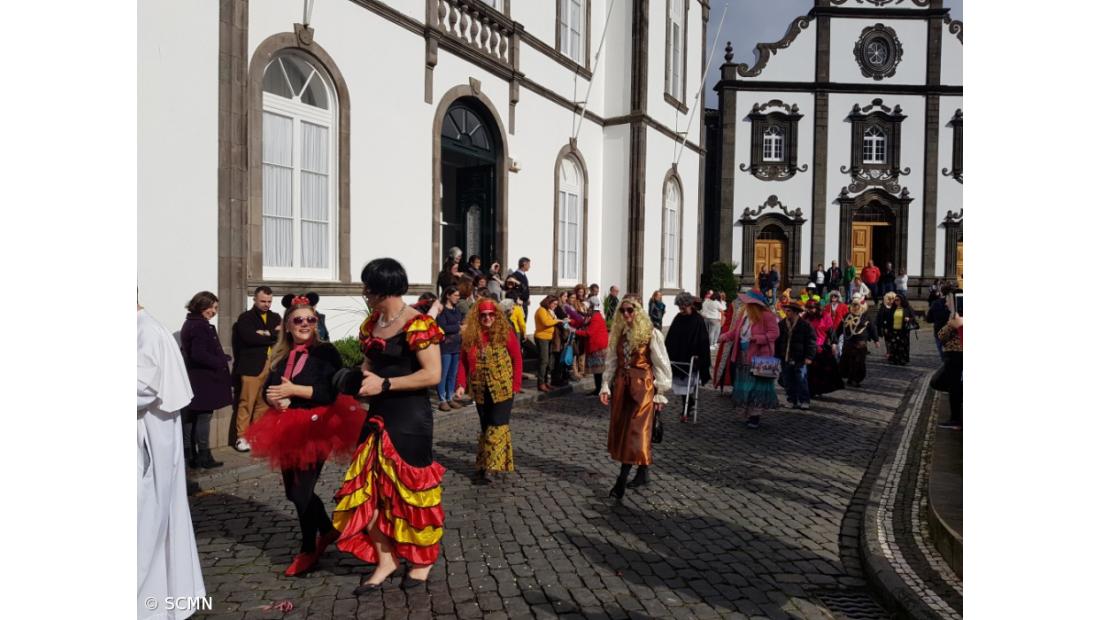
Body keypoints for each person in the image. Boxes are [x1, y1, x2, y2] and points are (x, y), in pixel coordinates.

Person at [333, 258, 446, 594]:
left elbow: (432, 375)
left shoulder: (419, 323)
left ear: (384, 290)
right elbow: (368, 366)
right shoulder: (373, 323)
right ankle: (386, 560)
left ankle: (422, 561)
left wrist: (385, 384)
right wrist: (356, 381)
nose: (365, 295)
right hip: (377, 415)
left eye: (369, 289)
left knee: (412, 491)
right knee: (367, 489)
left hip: (410, 418)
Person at [243, 295, 365, 577]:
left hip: (317, 427)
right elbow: (268, 389)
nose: (306, 324)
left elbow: (329, 393)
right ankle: (327, 530)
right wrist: (275, 400)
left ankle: (309, 548)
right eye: (299, 320)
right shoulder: (281, 355)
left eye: (311, 319)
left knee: (301, 492)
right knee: (292, 492)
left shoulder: (327, 352)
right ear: (287, 325)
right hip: (285, 428)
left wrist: (294, 391)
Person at [138, 302, 206, 619]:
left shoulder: (148, 331)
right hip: (146, 440)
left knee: (148, 521)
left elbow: (145, 388)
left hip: (150, 446)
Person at [599, 297, 673, 498]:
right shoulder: (619, 334)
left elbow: (661, 364)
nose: (626, 314)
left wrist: (660, 393)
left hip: (643, 388)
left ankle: (621, 480)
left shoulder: (651, 334)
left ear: (638, 311)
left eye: (630, 310)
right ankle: (643, 472)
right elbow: (612, 362)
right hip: (622, 387)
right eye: (622, 311)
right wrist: (605, 386)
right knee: (625, 430)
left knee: (636, 432)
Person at [454, 299, 523, 484]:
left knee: (497, 424)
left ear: (496, 315)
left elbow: (517, 359)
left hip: (502, 387)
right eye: (483, 315)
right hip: (480, 388)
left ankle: (491, 467)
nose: (487, 318)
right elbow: (463, 362)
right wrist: (460, 385)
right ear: (477, 317)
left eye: (491, 314)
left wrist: (516, 384)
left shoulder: (506, 333)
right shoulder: (470, 336)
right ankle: (486, 463)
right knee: (486, 426)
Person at [180, 291, 232, 470]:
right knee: (203, 418)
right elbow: (199, 354)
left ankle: (190, 456)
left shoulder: (191, 323)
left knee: (192, 418)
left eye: (216, 308)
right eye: (212, 307)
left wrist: (220, 356)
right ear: (203, 305)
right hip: (204, 380)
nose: (214, 311)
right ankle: (203, 456)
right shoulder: (199, 326)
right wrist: (220, 361)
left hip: (196, 378)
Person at [717, 289, 780, 428]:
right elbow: (735, 332)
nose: (745, 304)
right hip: (743, 356)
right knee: (746, 385)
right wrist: (724, 336)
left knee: (758, 387)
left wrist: (758, 338)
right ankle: (748, 413)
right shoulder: (744, 315)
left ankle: (755, 416)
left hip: (761, 356)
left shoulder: (767, 315)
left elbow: (774, 333)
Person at [230, 286, 281, 452]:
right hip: (251, 366)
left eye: (269, 301)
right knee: (246, 402)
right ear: (254, 299)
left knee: (264, 403)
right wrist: (271, 334)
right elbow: (249, 338)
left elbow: (281, 336)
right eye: (263, 301)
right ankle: (242, 437)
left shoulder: (275, 316)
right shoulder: (245, 318)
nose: (267, 304)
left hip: (271, 364)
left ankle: (256, 435)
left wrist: (265, 333)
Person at [665, 292, 712, 423]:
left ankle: (689, 404)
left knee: (691, 380)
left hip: (692, 355)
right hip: (679, 355)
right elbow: (671, 336)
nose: (681, 310)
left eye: (683, 307)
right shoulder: (678, 318)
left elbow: (703, 339)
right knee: (681, 384)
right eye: (679, 307)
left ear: (689, 305)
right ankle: (687, 403)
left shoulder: (698, 319)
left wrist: (700, 355)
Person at [775, 300, 817, 410]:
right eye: (786, 310)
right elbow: (777, 341)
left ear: (795, 312)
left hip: (800, 357)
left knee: (801, 379)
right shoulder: (781, 324)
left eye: (788, 311)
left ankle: (804, 400)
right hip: (785, 356)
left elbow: (811, 341)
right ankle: (792, 400)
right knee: (787, 380)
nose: (786, 312)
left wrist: (809, 357)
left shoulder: (805, 325)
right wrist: (776, 355)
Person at [805, 299, 844, 398]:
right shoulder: (805, 317)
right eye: (808, 308)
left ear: (817, 308)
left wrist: (834, 343)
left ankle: (819, 389)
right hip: (808, 347)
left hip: (821, 347)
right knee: (810, 371)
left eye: (812, 308)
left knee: (821, 370)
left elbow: (831, 331)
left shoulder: (825, 316)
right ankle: (810, 390)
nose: (810, 310)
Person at [838, 294, 879, 387]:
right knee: (847, 361)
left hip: (860, 343)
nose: (855, 307)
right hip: (848, 343)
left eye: (857, 305)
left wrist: (876, 340)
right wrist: (834, 340)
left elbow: (872, 328)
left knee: (858, 362)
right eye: (853, 305)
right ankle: (849, 378)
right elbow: (840, 328)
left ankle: (856, 379)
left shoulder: (866, 316)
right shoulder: (847, 316)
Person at [435, 286, 463, 411]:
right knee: (444, 374)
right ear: (448, 295)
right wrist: (458, 328)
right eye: (455, 295)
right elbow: (443, 328)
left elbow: (460, 323)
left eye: (458, 295)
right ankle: (442, 399)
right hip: (446, 346)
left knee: (453, 374)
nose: (458, 298)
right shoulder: (442, 311)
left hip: (456, 345)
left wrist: (459, 327)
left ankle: (449, 397)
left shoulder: (457, 310)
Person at [937, 303, 963, 430]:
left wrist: (951, 324)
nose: (946, 303)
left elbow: (941, 336)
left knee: (951, 385)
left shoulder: (957, 319)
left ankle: (956, 419)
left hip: (956, 355)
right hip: (954, 355)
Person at [576, 300, 609, 396]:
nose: (587, 311)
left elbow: (589, 333)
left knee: (598, 370)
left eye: (588, 309)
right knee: (598, 370)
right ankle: (599, 388)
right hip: (597, 345)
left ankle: (599, 389)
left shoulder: (596, 318)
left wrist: (574, 331)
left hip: (597, 346)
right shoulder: (595, 316)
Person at [534, 296, 563, 392]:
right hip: (542, 338)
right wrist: (558, 320)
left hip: (549, 338)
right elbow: (546, 322)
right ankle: (541, 383)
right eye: (554, 304)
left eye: (556, 304)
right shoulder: (541, 310)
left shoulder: (549, 311)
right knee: (544, 361)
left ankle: (546, 382)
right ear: (548, 302)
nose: (555, 306)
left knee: (548, 362)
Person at [880, 292, 916, 365]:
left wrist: (908, 319)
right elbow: (889, 319)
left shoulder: (907, 308)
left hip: (903, 330)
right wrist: (887, 328)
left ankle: (903, 359)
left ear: (902, 300)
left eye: (898, 300)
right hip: (894, 330)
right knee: (894, 345)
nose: (896, 301)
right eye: (895, 300)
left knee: (903, 345)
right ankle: (894, 359)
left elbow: (913, 318)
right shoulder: (893, 308)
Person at [926, 288, 951, 359]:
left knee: (943, 354)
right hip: (953, 331)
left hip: (939, 330)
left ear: (941, 293)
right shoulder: (956, 302)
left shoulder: (935, 303)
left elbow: (929, 319)